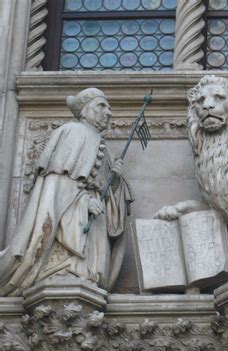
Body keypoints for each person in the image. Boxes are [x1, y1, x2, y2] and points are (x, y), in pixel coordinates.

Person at [0, 88, 133, 296]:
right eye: (102, 106)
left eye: (109, 107)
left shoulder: (102, 146)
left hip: (94, 220)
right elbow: (58, 187)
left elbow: (107, 194)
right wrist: (84, 203)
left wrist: (114, 181)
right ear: (85, 110)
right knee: (69, 272)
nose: (109, 112)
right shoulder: (73, 132)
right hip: (73, 217)